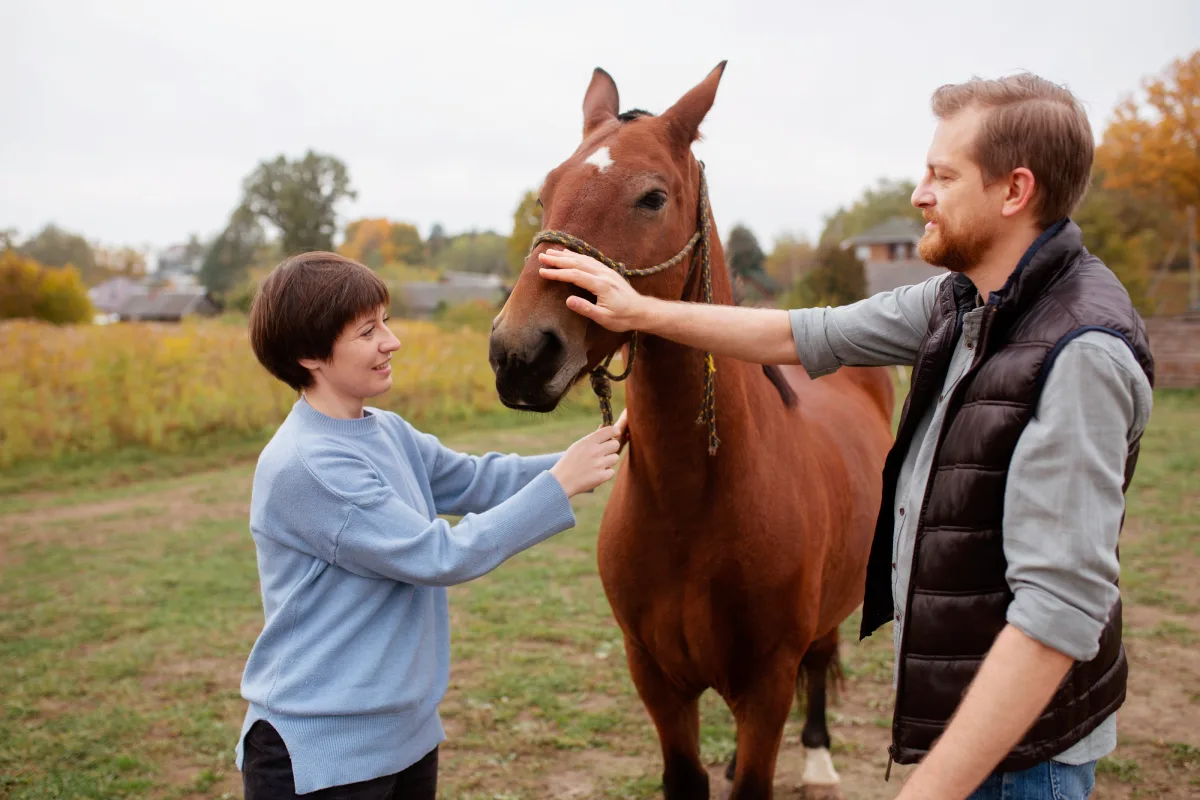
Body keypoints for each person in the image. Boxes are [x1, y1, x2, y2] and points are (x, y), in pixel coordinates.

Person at [538, 74, 1153, 800]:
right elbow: (808, 332)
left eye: (941, 176)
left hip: (1025, 757)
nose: (919, 194)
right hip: (968, 720)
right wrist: (640, 310)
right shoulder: (967, 301)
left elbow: (1058, 616)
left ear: (1014, 191)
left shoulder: (1080, 351)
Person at [236, 251, 626, 799]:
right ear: (308, 354)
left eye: (386, 323)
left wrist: (595, 452)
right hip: (323, 755)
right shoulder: (310, 464)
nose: (391, 342)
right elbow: (437, 556)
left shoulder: (385, 430)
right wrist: (561, 484)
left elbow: (474, 480)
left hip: (406, 735)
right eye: (368, 331)